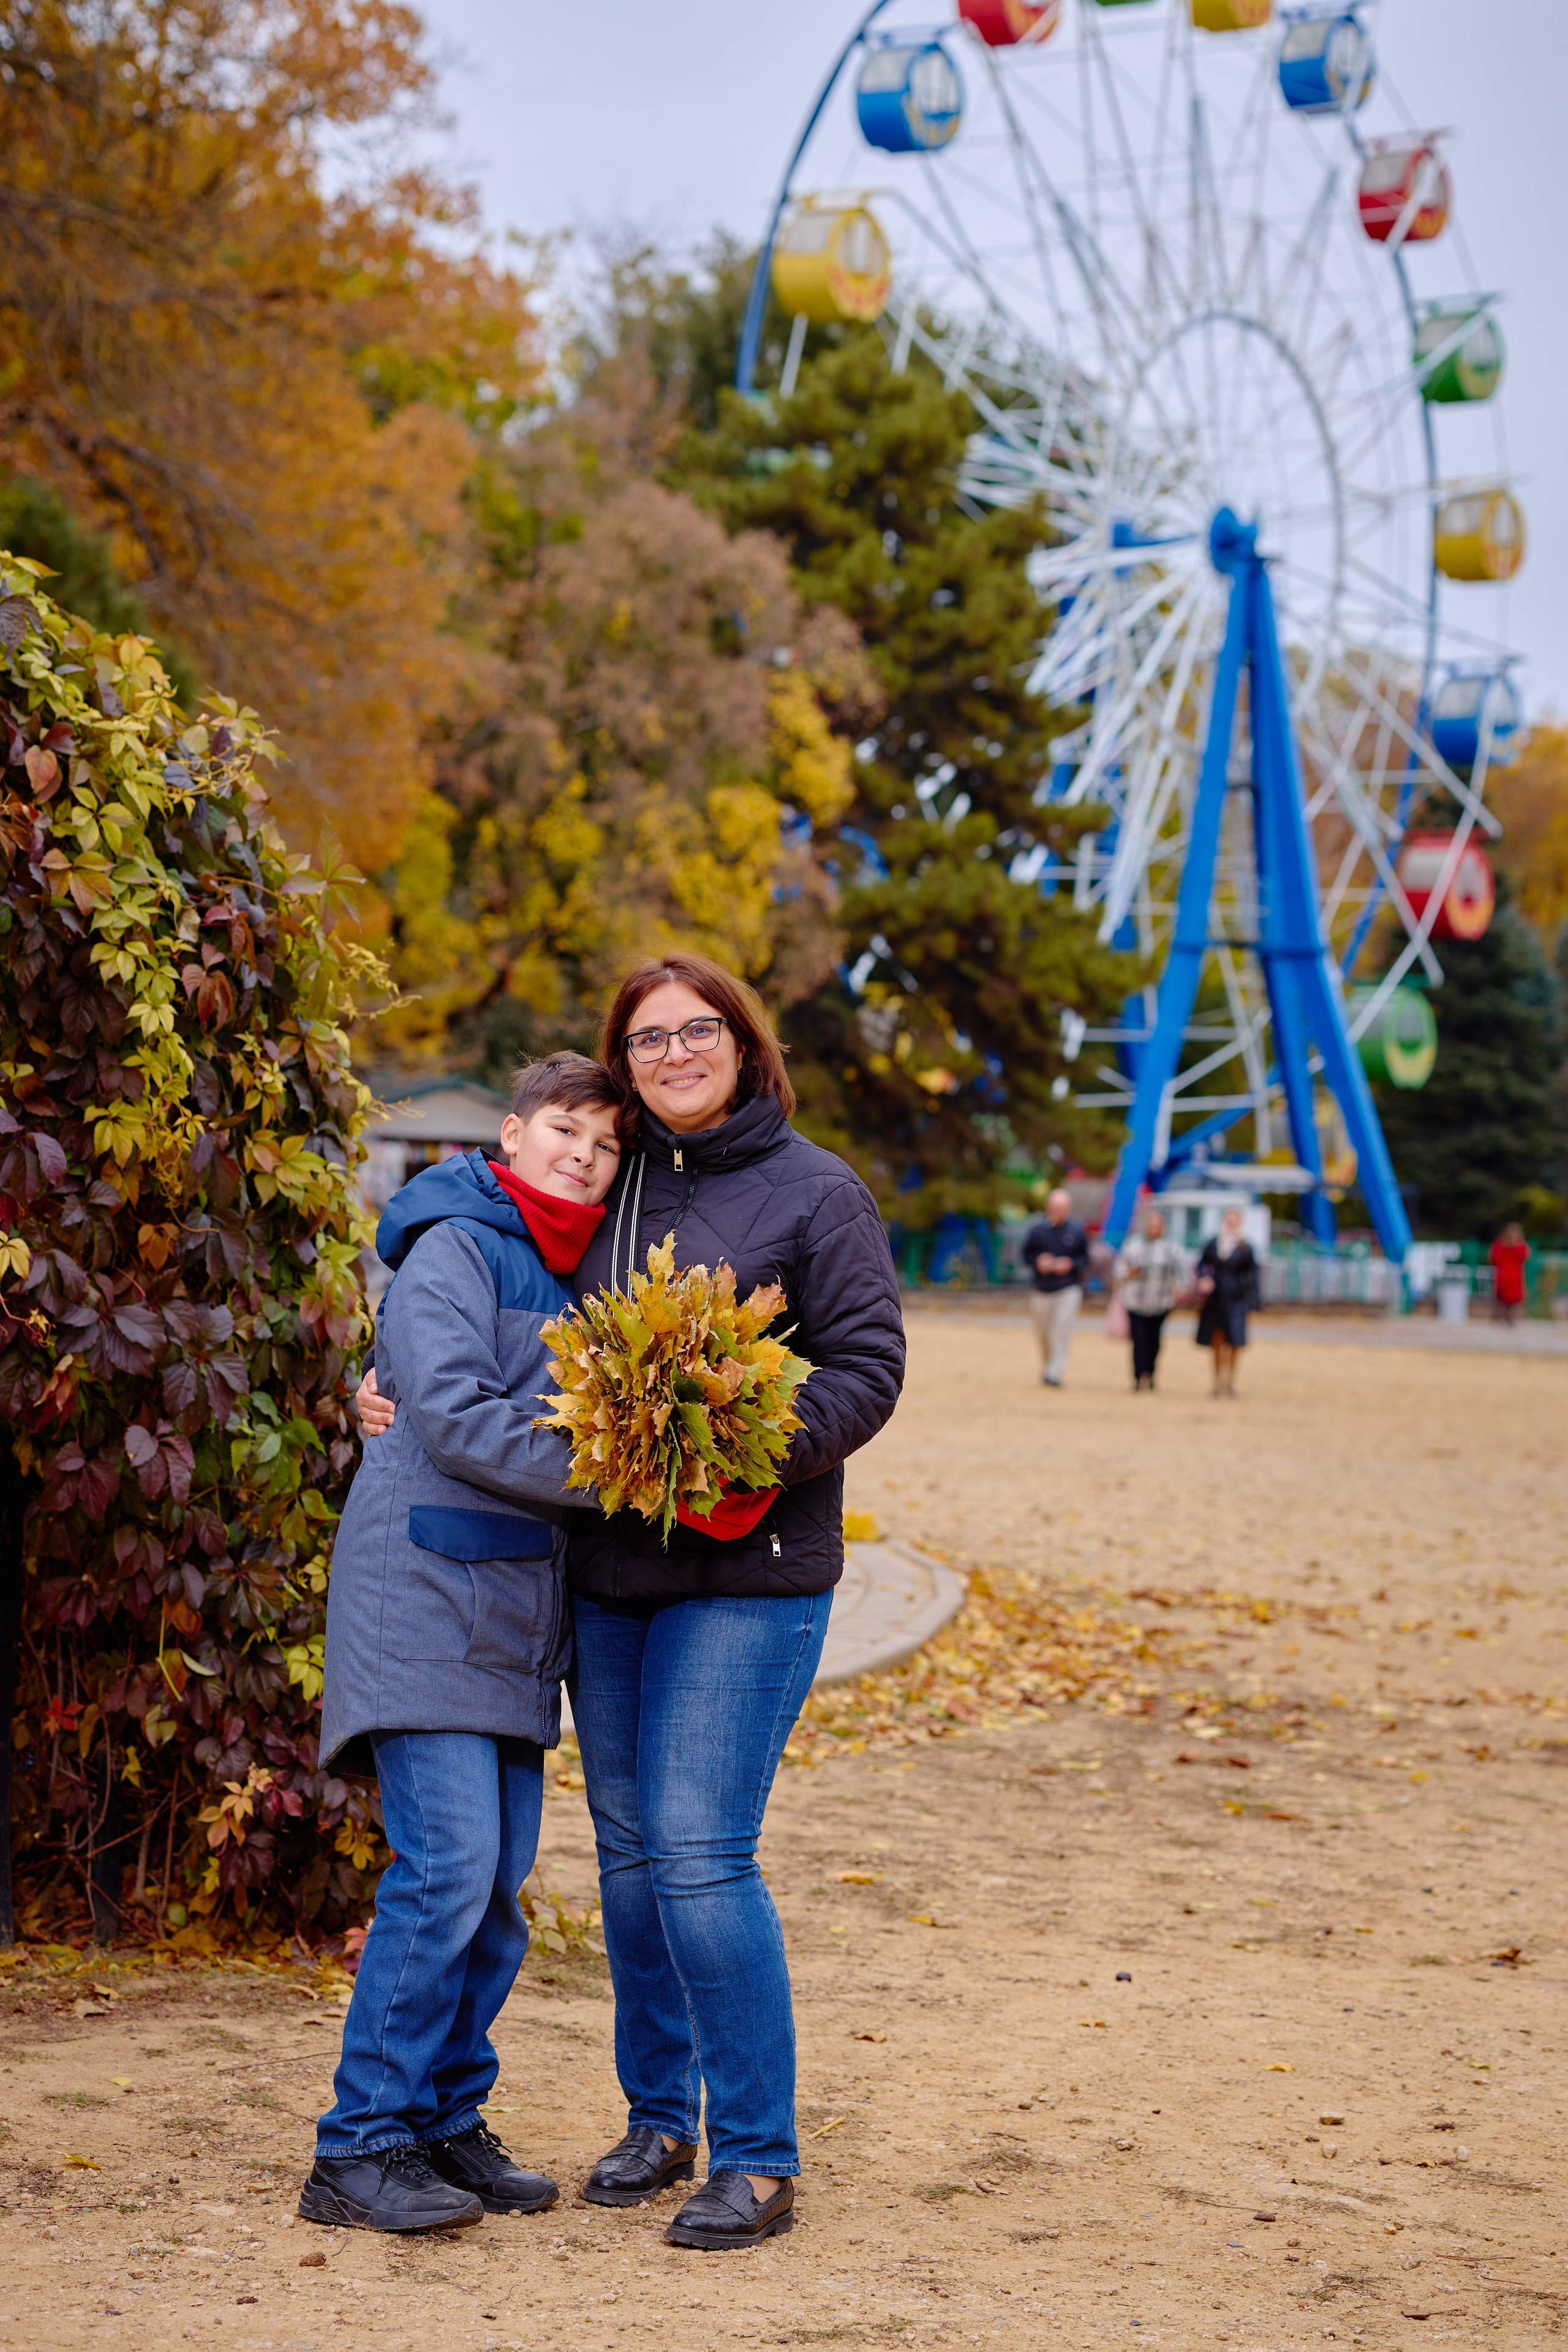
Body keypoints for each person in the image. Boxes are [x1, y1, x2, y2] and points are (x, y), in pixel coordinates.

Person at [568, 952, 904, 2251]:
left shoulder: (819, 1192)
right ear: (624, 1063)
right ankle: (661, 2119)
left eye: (693, 1030)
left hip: (749, 1573)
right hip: (609, 1574)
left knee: (701, 1853)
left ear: (744, 1044)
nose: (671, 1055)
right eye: (646, 1041)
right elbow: (503, 1285)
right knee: (632, 1862)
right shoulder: (612, 1179)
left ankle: (757, 2154)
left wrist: (730, 1442)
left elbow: (867, 1368)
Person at [301, 1054, 623, 2236]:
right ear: (512, 1132)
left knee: (492, 1892)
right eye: (563, 1129)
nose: (582, 1153)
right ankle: (359, 2145)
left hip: (513, 1616)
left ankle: (442, 2118)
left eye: (603, 1141)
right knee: (442, 1876)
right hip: (424, 1595)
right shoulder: (457, 1244)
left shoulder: (579, 1265)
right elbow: (448, 1407)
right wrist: (621, 1475)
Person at [1020, 1185, 1090, 1389]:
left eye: (1063, 1208)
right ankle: (1049, 1365)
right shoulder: (1038, 1230)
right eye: (1055, 1207)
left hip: (1068, 1288)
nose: (1059, 1211)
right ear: (1049, 1207)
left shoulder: (1077, 1231)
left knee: (1062, 1330)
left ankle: (1055, 1372)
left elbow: (1085, 1259)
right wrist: (1039, 1262)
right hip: (1042, 1289)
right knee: (1043, 1333)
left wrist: (1070, 1264)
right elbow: (1026, 1256)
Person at [1114, 1207, 1191, 1392]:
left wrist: (1180, 1288)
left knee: (1154, 1341)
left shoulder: (1171, 1249)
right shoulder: (1133, 1245)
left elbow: (1182, 1274)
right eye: (1151, 1226)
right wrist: (1128, 1273)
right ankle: (1138, 1376)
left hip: (1160, 1302)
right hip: (1135, 1301)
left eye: (1157, 1226)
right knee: (1139, 1340)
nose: (1154, 1230)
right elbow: (1118, 1270)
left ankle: (1151, 1373)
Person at [1194, 1204, 1260, 1399]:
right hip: (1215, 1299)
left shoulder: (1245, 1247)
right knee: (1216, 1341)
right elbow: (1201, 1264)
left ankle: (1230, 1381)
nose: (1231, 1224)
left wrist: (1255, 1301)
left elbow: (1253, 1276)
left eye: (1234, 1220)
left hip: (1237, 1299)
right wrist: (1204, 1279)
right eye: (1228, 1220)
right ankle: (1216, 1381)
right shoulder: (1213, 1243)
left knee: (1235, 1342)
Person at [1488, 1221, 1531, 1325]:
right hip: (1503, 1275)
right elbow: (1493, 1258)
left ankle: (1510, 1318)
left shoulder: (1520, 1244)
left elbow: (1526, 1255)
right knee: (1501, 1298)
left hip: (1515, 1276)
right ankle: (1498, 1318)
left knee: (1515, 1298)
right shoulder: (1499, 1244)